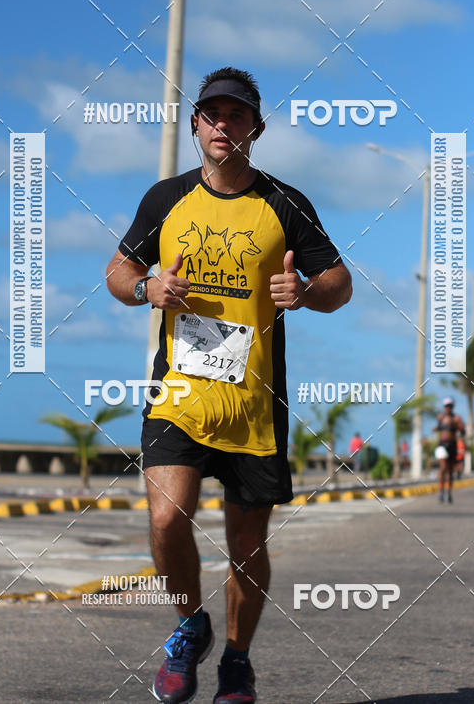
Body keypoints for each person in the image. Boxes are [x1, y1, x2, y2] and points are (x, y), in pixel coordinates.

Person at [106, 66, 352, 704]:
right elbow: (118, 270)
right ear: (195, 125)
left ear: (256, 128)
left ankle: (236, 661)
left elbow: (340, 284)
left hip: (254, 405)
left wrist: (303, 292)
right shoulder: (165, 199)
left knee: (247, 544)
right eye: (211, 114)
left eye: (235, 115)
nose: (222, 124)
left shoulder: (285, 202)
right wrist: (145, 288)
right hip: (179, 395)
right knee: (166, 519)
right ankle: (190, 626)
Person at [433, 397, 465, 503]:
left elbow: (463, 431)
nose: (448, 408)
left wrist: (458, 427)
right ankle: (441, 491)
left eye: (450, 406)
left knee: (451, 471)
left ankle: (449, 492)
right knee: (443, 468)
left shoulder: (457, 418)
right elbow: (438, 428)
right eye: (447, 406)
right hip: (442, 445)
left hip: (452, 445)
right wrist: (436, 429)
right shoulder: (440, 417)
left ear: (452, 407)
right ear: (444, 407)